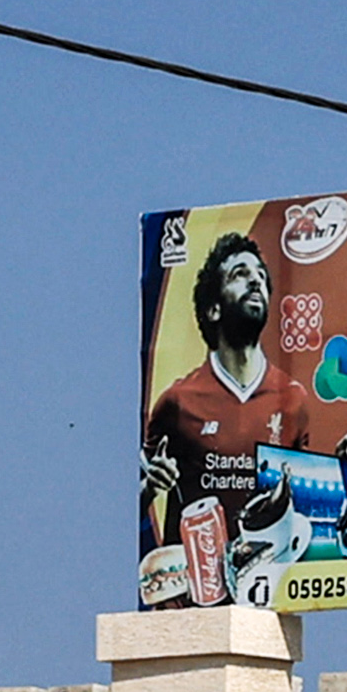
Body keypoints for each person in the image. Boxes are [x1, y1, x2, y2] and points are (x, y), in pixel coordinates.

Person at [140, 228, 298, 593]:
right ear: (213, 308)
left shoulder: (293, 398)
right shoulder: (177, 401)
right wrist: (150, 486)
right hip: (190, 598)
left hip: (269, 587)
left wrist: (345, 463)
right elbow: (133, 507)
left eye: (260, 275)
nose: (255, 281)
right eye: (240, 274)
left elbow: (303, 500)